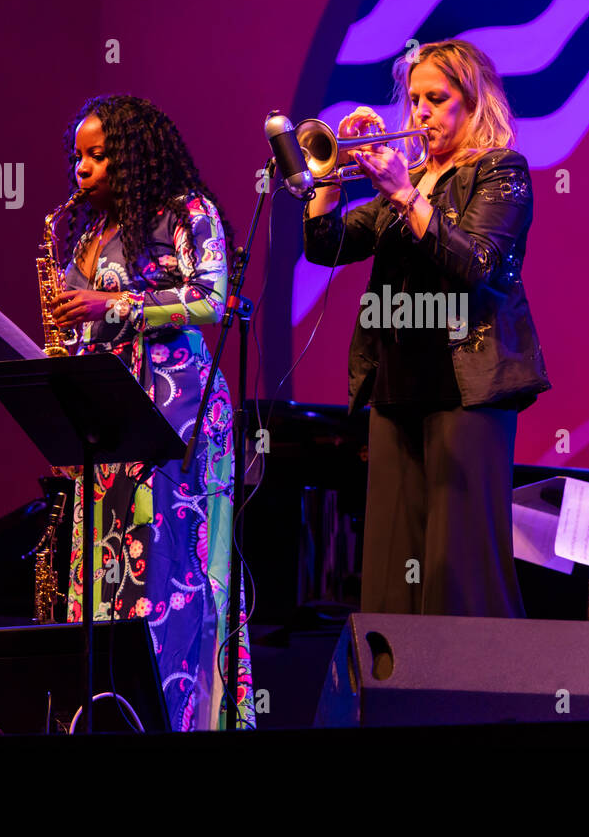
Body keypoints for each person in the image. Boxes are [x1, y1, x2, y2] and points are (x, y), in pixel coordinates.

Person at [302, 39, 550, 618]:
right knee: (392, 565)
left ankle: (482, 694)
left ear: (473, 102)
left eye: (436, 99)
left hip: (467, 389)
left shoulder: (499, 170)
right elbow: (325, 246)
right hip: (395, 387)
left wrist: (405, 194)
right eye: (414, 100)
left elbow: (478, 265)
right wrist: (332, 179)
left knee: (459, 564)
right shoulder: (408, 179)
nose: (420, 113)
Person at [51, 94, 252, 730]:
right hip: (111, 416)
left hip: (180, 413)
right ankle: (114, 715)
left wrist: (107, 307)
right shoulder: (86, 233)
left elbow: (211, 299)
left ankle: (187, 717)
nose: (82, 170)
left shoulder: (188, 211)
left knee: (175, 572)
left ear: (133, 157)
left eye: (98, 156)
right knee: (113, 572)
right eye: (77, 157)